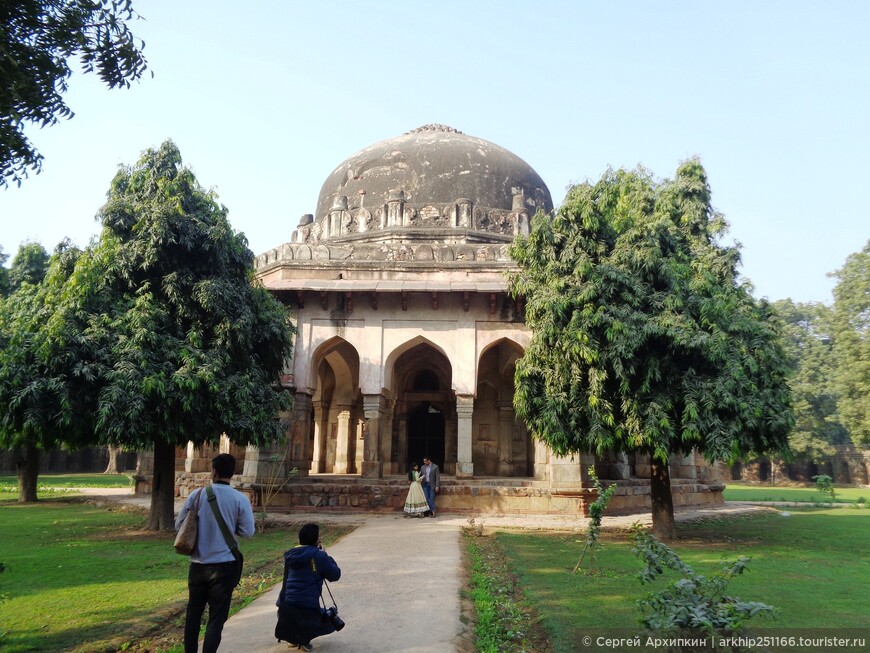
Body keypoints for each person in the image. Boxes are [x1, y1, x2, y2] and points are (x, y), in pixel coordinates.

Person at [175, 453, 255, 653]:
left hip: (198, 565)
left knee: (193, 615)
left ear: (214, 471)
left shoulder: (197, 495)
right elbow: (248, 532)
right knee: (216, 619)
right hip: (224, 567)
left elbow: (179, 525)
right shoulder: (240, 499)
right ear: (233, 473)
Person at [276, 523, 342, 651]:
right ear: (316, 541)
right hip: (307, 609)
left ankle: (292, 638)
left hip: (284, 609)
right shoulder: (319, 555)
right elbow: (335, 575)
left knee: (296, 609)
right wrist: (326, 556)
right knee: (330, 619)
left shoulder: (290, 555)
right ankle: (304, 638)